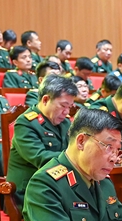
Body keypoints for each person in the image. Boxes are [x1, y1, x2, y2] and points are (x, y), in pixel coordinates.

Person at [22, 109, 122, 221]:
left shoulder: (103, 181)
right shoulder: (45, 183)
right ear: (81, 141)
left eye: (117, 150)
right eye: (108, 147)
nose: (114, 158)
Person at [7, 76, 76, 206]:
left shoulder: (65, 123)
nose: (66, 111)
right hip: (30, 192)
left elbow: (74, 148)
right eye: (63, 106)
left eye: (70, 107)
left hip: (57, 188)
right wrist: (77, 158)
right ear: (45, 100)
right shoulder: (25, 123)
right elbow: (40, 158)